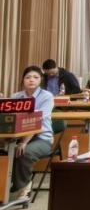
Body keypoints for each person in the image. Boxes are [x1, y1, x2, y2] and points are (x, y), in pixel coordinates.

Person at [8, 66, 55, 201]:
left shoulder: (46, 96)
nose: (31, 80)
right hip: (17, 137)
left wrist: (24, 143)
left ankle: (24, 186)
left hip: (42, 138)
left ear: (41, 80)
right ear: (23, 80)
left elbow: (37, 120)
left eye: (35, 77)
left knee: (25, 152)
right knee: (5, 151)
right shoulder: (16, 96)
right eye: (28, 77)